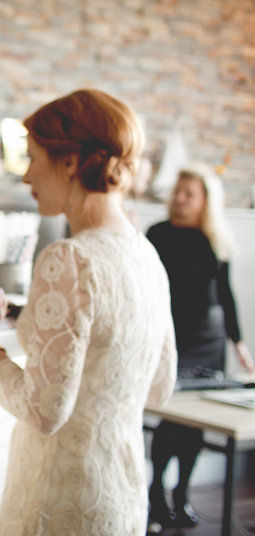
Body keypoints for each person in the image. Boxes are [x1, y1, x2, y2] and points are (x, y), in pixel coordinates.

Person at [0, 89, 177, 535]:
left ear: (70, 161)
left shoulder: (69, 259)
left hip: (59, 502)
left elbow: (44, 410)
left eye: (32, 157)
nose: (25, 176)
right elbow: (160, 386)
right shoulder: (147, 256)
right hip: (122, 494)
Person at [145, 164, 253, 528]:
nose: (179, 198)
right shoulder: (156, 233)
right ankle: (156, 491)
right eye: (177, 191)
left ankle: (182, 494)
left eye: (188, 193)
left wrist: (239, 343)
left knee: (195, 427)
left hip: (209, 340)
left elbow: (226, 295)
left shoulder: (216, 239)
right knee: (172, 416)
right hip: (170, 337)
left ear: (206, 200)